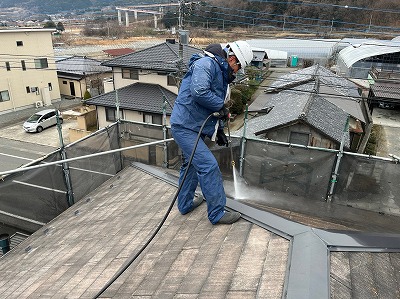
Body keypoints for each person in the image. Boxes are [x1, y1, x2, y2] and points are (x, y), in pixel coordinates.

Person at [170, 40, 253, 225]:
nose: (237, 72)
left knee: (190, 165)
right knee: (209, 166)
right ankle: (217, 213)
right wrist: (221, 107)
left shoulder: (218, 71)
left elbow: (208, 107)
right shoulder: (206, 64)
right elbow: (199, 92)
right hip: (185, 127)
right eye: (239, 67)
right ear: (232, 59)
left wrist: (219, 131)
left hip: (192, 127)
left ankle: (185, 205)